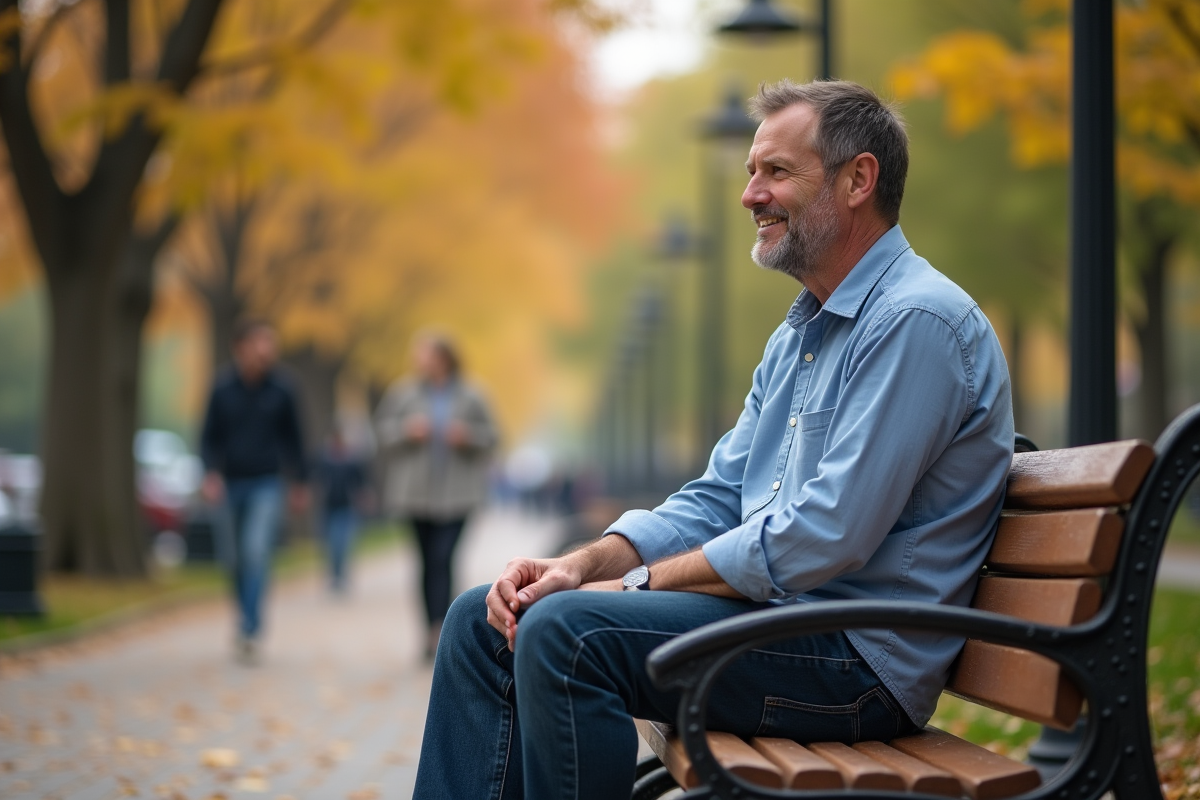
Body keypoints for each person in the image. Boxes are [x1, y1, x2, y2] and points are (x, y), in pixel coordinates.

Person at [412, 79, 1014, 799]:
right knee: (482, 623)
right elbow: (718, 496)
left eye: (776, 172)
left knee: (569, 636)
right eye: (751, 172)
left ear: (859, 179)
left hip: (856, 665)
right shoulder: (800, 338)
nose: (749, 194)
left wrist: (633, 584)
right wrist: (579, 564)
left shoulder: (919, 323)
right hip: (783, 631)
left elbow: (823, 534)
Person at [374, 332, 498, 658]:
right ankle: (429, 630)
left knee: (444, 558)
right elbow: (382, 433)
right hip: (415, 495)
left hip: (458, 495)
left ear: (443, 357)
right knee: (426, 562)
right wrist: (406, 431)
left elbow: (494, 436)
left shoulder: (472, 394)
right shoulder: (403, 393)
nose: (419, 360)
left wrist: (468, 437)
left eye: (425, 353)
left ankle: (442, 629)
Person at [200, 320, 309, 665]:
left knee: (256, 551)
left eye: (270, 344)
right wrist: (210, 474)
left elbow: (296, 439)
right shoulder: (222, 388)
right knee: (232, 558)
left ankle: (250, 626)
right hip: (230, 482)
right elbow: (207, 436)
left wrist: (300, 482)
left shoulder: (283, 389)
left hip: (267, 482)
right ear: (241, 346)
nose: (267, 350)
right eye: (261, 343)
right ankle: (244, 615)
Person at [315, 426, 369, 596]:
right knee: (331, 546)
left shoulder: (351, 461)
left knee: (343, 544)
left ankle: (342, 576)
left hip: (347, 508)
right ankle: (335, 576)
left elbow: (360, 483)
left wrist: (364, 498)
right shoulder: (324, 460)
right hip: (328, 508)